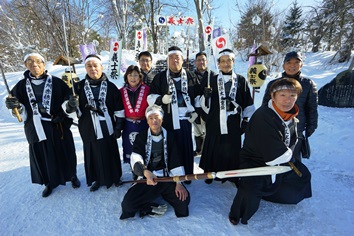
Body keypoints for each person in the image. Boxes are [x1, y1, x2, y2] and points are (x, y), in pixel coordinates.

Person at [229, 78, 312, 225]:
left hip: (280, 158)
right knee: (250, 191)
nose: (287, 100)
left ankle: (271, 194)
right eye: (282, 95)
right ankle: (238, 214)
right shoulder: (264, 116)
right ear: (273, 96)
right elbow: (273, 151)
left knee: (303, 175)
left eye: (292, 95)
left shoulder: (290, 114)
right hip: (255, 161)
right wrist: (289, 158)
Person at [5, 52, 80, 197]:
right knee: (42, 155)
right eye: (30, 62)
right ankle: (49, 182)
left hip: (57, 124)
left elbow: (67, 101)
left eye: (38, 61)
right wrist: (14, 107)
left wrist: (68, 107)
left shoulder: (57, 82)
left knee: (66, 150)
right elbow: (19, 110)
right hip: (35, 126)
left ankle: (72, 175)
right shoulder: (20, 86)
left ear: (44, 64)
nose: (34, 64)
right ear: (26, 65)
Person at [120, 105, 190, 219]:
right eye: (151, 118)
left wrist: (179, 183)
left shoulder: (170, 136)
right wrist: (145, 172)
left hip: (167, 177)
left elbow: (175, 160)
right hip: (148, 177)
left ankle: (160, 195)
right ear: (147, 121)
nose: (154, 121)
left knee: (183, 201)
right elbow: (136, 157)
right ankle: (147, 207)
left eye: (157, 117)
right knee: (128, 205)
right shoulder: (141, 137)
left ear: (161, 119)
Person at [199, 49, 255, 184]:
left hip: (233, 120)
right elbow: (200, 103)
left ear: (233, 62)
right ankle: (211, 173)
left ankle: (233, 175)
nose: (225, 64)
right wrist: (205, 96)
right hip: (215, 120)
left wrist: (246, 120)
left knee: (232, 148)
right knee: (213, 146)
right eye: (222, 61)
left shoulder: (241, 80)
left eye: (228, 60)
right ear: (218, 64)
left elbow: (247, 102)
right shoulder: (210, 80)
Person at [71, 54, 123, 192]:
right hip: (88, 126)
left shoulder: (111, 87)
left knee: (110, 151)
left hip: (107, 125)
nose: (93, 68)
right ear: (85, 68)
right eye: (89, 66)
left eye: (95, 65)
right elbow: (69, 110)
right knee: (93, 152)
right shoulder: (78, 87)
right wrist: (71, 105)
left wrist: (118, 126)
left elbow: (119, 109)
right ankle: (97, 179)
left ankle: (115, 177)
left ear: (101, 67)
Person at [148, 46, 200, 184]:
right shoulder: (159, 78)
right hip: (168, 120)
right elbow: (150, 97)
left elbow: (198, 98)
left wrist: (196, 112)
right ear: (167, 60)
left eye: (177, 57)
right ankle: (172, 176)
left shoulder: (191, 76)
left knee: (186, 148)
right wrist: (161, 99)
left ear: (182, 60)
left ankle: (187, 175)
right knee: (171, 148)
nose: (174, 60)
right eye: (171, 58)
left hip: (186, 120)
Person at [262, 51, 318, 162]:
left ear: (301, 65)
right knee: (274, 158)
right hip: (276, 127)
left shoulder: (308, 84)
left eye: (296, 62)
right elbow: (265, 106)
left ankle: (293, 178)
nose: (292, 65)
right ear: (283, 65)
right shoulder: (274, 84)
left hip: (297, 128)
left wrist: (311, 127)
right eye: (289, 62)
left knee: (294, 160)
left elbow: (312, 108)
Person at [120, 65, 150, 164]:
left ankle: (145, 168)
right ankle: (134, 169)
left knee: (144, 146)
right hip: (128, 124)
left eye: (136, 75)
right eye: (130, 75)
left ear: (140, 77)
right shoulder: (120, 92)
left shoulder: (147, 90)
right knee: (130, 146)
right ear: (126, 77)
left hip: (144, 123)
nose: (133, 78)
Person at [192, 52, 209, 156]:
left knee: (208, 129)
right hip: (195, 107)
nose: (201, 62)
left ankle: (207, 149)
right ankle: (198, 149)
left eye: (203, 60)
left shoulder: (212, 75)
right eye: (199, 60)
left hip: (207, 107)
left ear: (206, 62)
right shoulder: (191, 75)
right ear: (195, 62)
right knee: (197, 130)